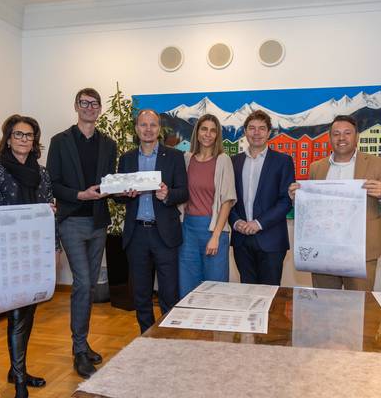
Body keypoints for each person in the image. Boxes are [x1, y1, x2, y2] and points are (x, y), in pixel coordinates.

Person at [46, 88, 117, 378]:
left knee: (88, 287)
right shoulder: (60, 141)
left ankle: (83, 343)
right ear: (76, 106)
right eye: (84, 103)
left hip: (98, 222)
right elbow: (53, 183)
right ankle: (78, 350)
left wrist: (123, 189)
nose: (89, 107)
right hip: (72, 221)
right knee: (83, 282)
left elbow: (110, 182)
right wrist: (80, 195)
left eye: (94, 103)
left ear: (100, 108)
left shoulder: (108, 144)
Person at [288, 114, 381, 291]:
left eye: (347, 133)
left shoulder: (377, 164)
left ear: (357, 136)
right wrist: (298, 199)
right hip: (323, 248)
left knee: (359, 303)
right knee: (324, 302)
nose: (341, 138)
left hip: (361, 250)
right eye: (336, 134)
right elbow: (312, 209)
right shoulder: (317, 167)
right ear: (330, 138)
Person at [0, 115, 54, 397]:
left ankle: (17, 369)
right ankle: (19, 382)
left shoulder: (42, 173)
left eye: (29, 135)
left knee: (28, 313)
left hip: (36, 252)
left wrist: (54, 248)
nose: (23, 139)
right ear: (8, 139)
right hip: (8, 254)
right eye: (18, 134)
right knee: (17, 314)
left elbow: (49, 212)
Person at [116, 109, 188, 333]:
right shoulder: (126, 158)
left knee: (169, 293)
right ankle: (146, 337)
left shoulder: (174, 157)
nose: (148, 129)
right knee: (141, 294)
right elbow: (117, 196)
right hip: (136, 234)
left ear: (159, 129)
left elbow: (183, 192)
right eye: (143, 125)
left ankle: (167, 337)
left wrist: (168, 194)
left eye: (153, 125)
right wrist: (124, 194)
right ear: (136, 128)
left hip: (164, 234)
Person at [229, 110, 295, 286]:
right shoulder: (233, 162)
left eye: (261, 128)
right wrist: (236, 222)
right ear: (245, 132)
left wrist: (258, 223)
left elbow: (285, 201)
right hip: (241, 240)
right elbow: (228, 199)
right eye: (252, 128)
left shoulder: (283, 161)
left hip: (271, 240)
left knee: (269, 294)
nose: (256, 133)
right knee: (247, 292)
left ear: (269, 132)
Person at [179, 114, 236, 297]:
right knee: (187, 287)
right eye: (204, 129)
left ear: (217, 135)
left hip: (213, 230)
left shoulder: (223, 160)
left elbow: (227, 201)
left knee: (214, 289)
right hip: (188, 230)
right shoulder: (187, 159)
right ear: (197, 132)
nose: (208, 134)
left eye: (213, 130)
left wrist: (216, 236)